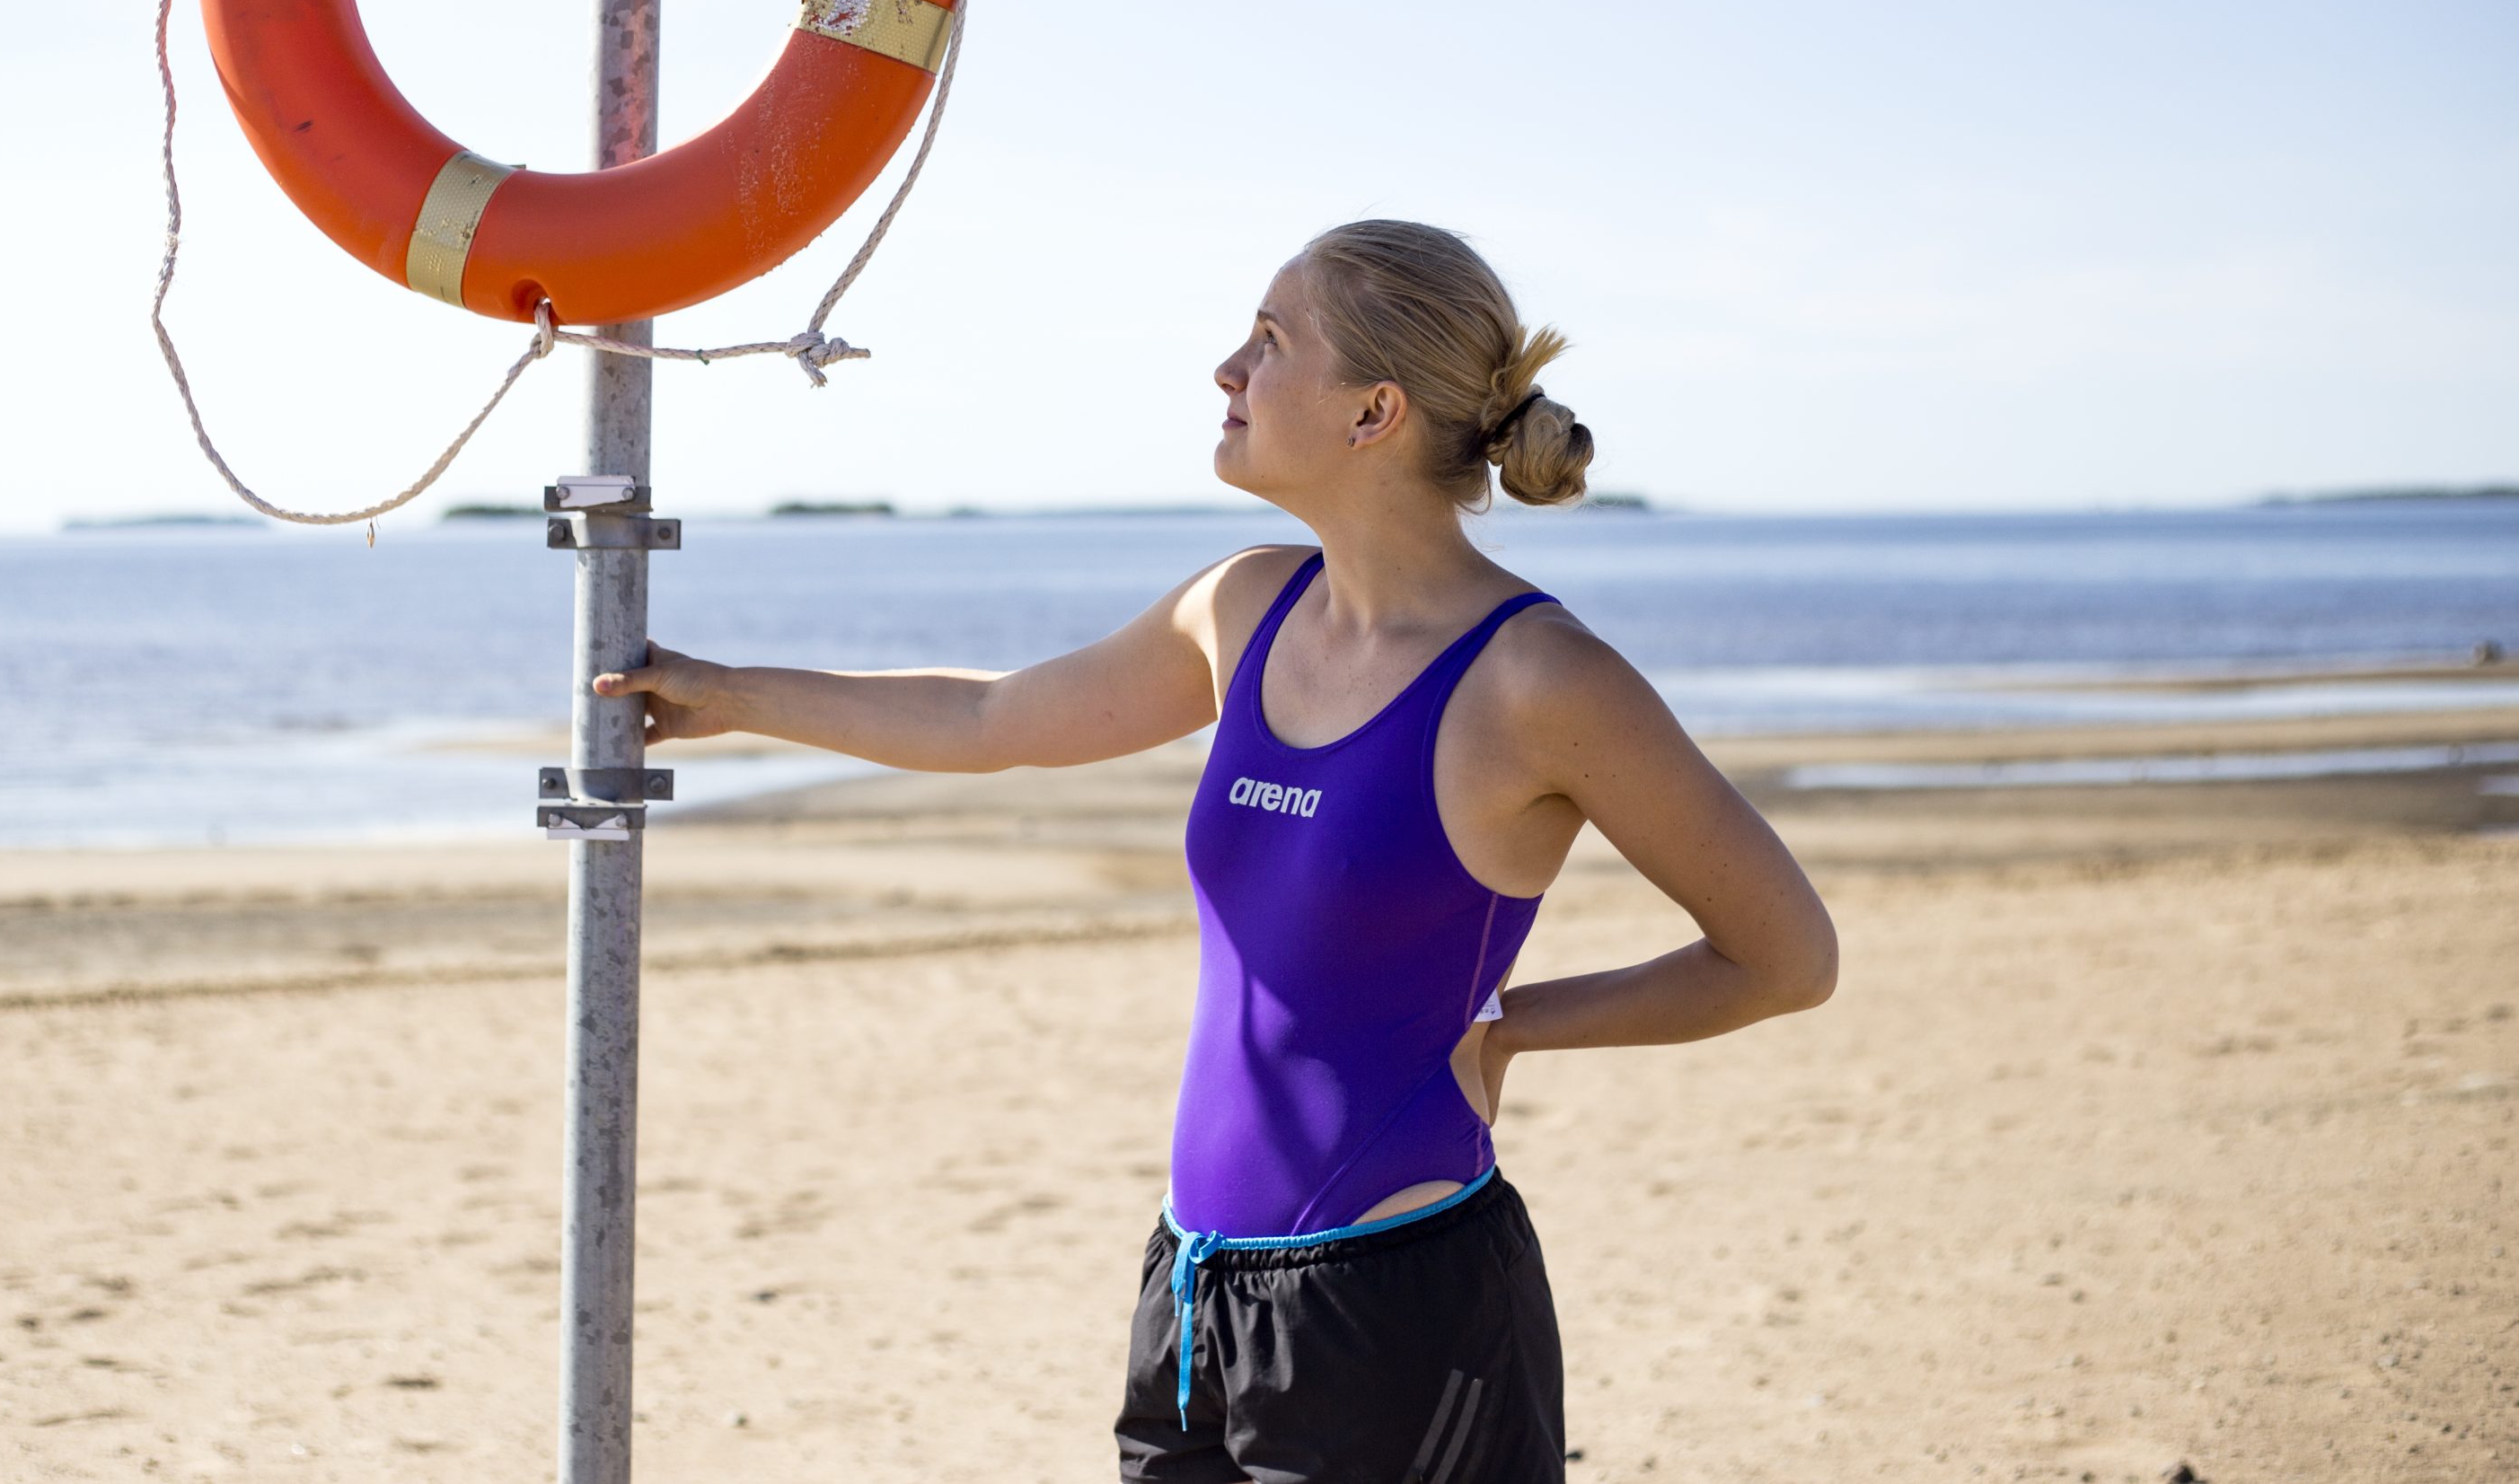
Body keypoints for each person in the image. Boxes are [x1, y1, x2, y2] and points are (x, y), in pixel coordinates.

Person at [594, 219, 1840, 1482]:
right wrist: (732, 694)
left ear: (1375, 411)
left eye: (1269, 340)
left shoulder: (1537, 679)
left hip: (1399, 1307)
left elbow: (1784, 955)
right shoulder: (1244, 607)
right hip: (1193, 1290)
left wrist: (1514, 1022)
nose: (1226, 370)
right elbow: (993, 716)